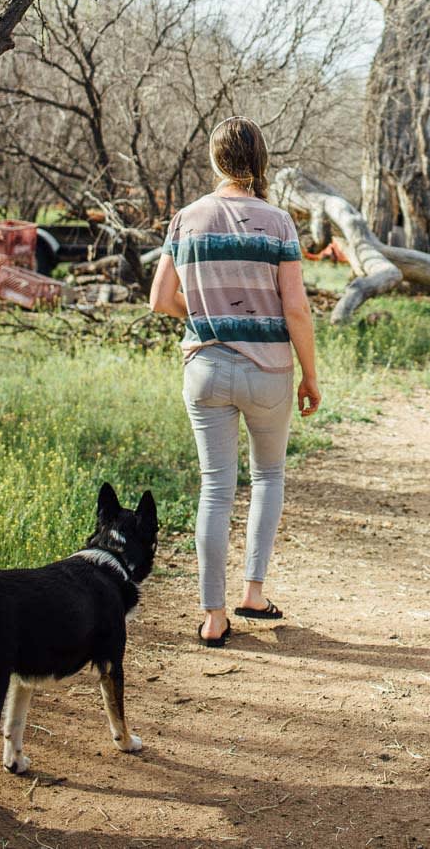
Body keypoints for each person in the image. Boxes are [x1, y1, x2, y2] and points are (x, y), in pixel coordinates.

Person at [149, 117, 320, 647]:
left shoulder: (186, 219)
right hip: (268, 371)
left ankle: (213, 617)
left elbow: (160, 300)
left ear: (215, 159)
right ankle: (253, 592)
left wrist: (207, 317)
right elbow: (296, 308)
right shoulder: (278, 222)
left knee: (215, 488)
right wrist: (310, 376)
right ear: (261, 160)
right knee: (267, 477)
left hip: (205, 369)